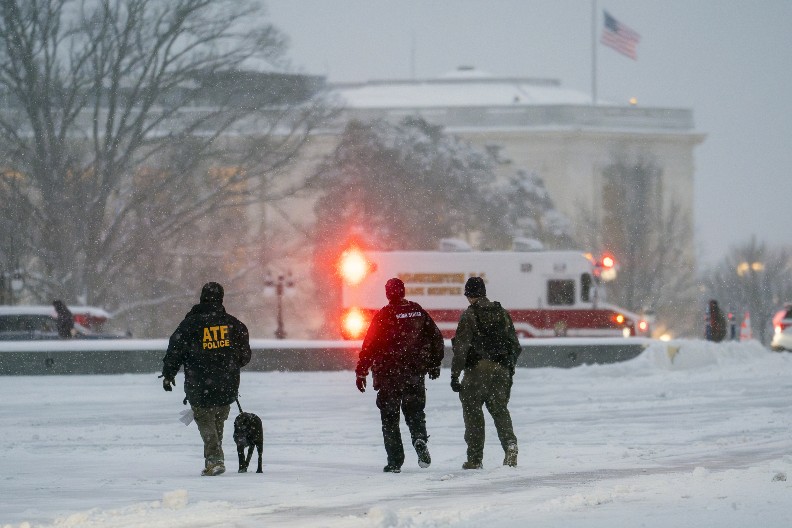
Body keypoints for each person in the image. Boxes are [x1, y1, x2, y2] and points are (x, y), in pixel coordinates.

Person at [161, 282, 252, 476]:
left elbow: (175, 350)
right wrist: (227, 363)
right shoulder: (233, 324)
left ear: (202, 297)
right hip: (227, 383)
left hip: (199, 383)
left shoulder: (190, 324)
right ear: (221, 299)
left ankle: (214, 460)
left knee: (205, 419)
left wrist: (169, 374)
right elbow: (244, 356)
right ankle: (213, 460)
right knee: (217, 420)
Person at [355, 277, 445, 473]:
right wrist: (434, 363)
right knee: (415, 412)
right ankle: (419, 437)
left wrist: (362, 371)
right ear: (404, 292)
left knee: (389, 418)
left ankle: (395, 461)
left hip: (389, 375)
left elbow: (369, 346)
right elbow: (436, 338)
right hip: (414, 373)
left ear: (388, 294)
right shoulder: (417, 311)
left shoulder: (383, 315)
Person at [450, 277, 521, 469]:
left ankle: (474, 459)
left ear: (469, 295)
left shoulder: (470, 315)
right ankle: (510, 445)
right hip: (502, 370)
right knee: (500, 410)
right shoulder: (502, 313)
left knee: (473, 414)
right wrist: (508, 367)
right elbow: (515, 345)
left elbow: (461, 348)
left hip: (477, 371)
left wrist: (455, 375)